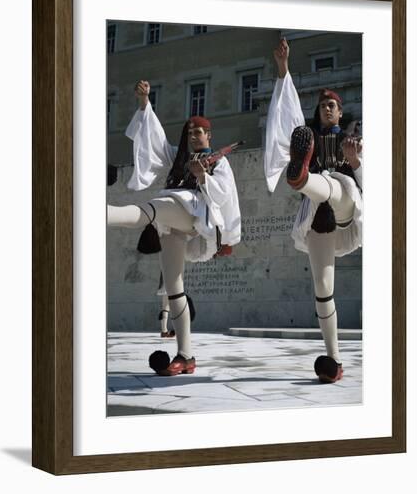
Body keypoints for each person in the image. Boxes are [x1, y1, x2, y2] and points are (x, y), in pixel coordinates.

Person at [108, 80, 241, 376]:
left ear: (209, 135)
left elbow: (224, 195)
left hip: (193, 213)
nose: (194, 136)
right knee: (174, 287)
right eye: (190, 132)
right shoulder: (178, 157)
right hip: (173, 224)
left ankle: (104, 214)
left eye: (199, 132)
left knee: (152, 209)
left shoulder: (217, 163)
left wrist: (203, 177)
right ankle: (186, 356)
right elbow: (154, 141)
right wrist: (145, 103)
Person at [264, 39, 363, 383]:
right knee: (322, 287)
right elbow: (288, 109)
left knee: (334, 184)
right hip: (317, 216)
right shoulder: (310, 138)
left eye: (331, 105)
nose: (326, 109)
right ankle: (333, 359)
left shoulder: (356, 138)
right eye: (322, 106)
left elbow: (371, 183)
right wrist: (282, 68)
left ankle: (303, 177)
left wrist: (356, 162)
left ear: (340, 110)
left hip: (346, 203)